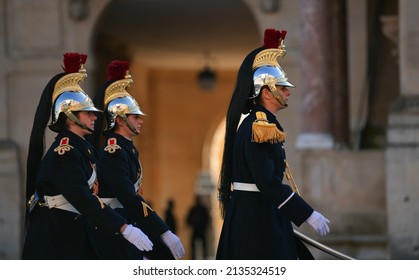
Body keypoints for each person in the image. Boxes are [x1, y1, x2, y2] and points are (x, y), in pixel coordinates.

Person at [22, 53, 154, 259]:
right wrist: (124, 228)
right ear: (70, 117)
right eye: (87, 113)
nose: (94, 117)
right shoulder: (63, 153)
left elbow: (105, 197)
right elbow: (84, 199)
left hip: (75, 232)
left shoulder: (83, 150)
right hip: (55, 237)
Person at [216, 29, 330, 260]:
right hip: (257, 217)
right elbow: (267, 182)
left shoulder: (262, 123)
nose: (288, 92)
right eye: (282, 87)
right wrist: (306, 214)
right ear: (266, 93)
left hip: (260, 211)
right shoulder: (260, 126)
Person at [89, 60, 185, 259]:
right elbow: (129, 197)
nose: (141, 120)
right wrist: (163, 231)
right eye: (135, 117)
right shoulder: (113, 151)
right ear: (121, 120)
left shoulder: (125, 148)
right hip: (114, 225)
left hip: (127, 217)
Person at [186, 195, 209, 259]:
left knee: (203, 245)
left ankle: (204, 257)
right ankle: (193, 257)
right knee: (193, 246)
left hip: (201, 230)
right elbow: (189, 218)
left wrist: (204, 226)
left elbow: (206, 219)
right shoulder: (193, 209)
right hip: (196, 229)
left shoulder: (202, 209)